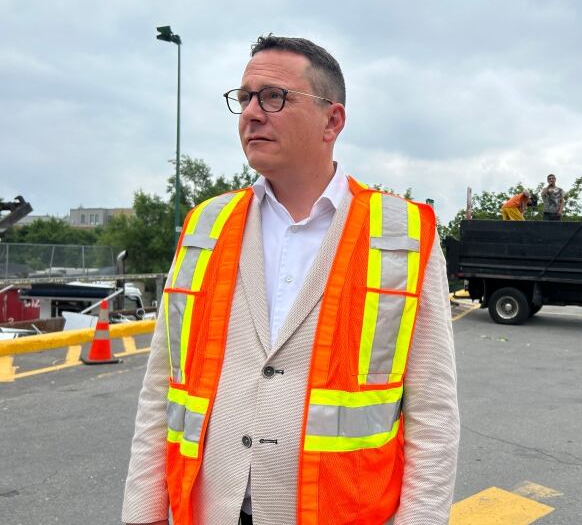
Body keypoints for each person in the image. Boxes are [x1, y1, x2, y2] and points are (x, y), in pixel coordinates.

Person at [122, 35, 459, 525]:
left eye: (274, 97)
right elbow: (161, 391)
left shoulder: (401, 235)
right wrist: (142, 516)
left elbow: (433, 414)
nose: (252, 113)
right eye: (244, 97)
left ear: (332, 120)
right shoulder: (205, 227)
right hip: (208, 511)